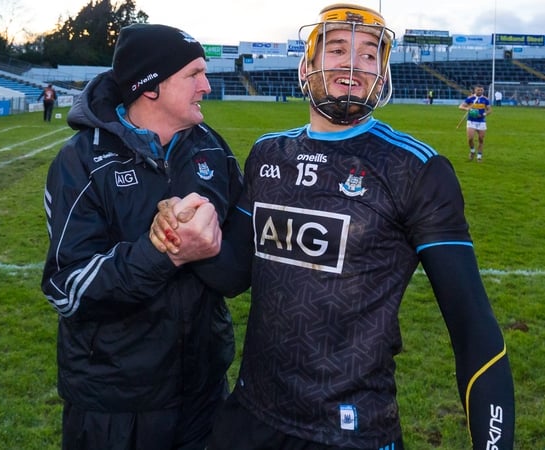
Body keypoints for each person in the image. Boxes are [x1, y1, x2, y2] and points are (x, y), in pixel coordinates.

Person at [151, 4, 515, 449]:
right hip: (250, 418)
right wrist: (184, 236)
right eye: (338, 49)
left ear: (382, 74)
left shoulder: (416, 169)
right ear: (306, 66)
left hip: (351, 431)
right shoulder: (269, 154)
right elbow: (233, 274)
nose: (353, 65)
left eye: (369, 55)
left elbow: (473, 327)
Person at [40, 23, 252, 450]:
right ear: (150, 86)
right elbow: (68, 289)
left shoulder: (213, 150)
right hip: (113, 407)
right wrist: (164, 253)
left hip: (204, 394)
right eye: (193, 74)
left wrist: (202, 249)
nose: (206, 85)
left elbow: (236, 274)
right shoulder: (80, 163)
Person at [459, 84, 491, 162]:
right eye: (478, 90)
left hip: (481, 122)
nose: (480, 91)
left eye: (481, 90)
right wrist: (467, 109)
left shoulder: (485, 99)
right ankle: (472, 151)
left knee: (481, 139)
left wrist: (484, 114)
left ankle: (479, 156)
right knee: (470, 139)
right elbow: (460, 107)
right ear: (475, 90)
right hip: (471, 121)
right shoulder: (470, 98)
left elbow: (489, 110)